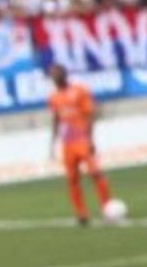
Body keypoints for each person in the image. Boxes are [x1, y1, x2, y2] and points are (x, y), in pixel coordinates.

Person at [47, 64, 115, 226]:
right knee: (72, 179)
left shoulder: (80, 90)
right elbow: (56, 119)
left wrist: (90, 138)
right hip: (67, 143)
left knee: (96, 173)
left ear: (64, 74)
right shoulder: (53, 97)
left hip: (82, 139)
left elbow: (90, 114)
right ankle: (81, 213)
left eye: (57, 74)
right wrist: (52, 142)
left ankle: (107, 207)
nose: (55, 78)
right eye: (52, 75)